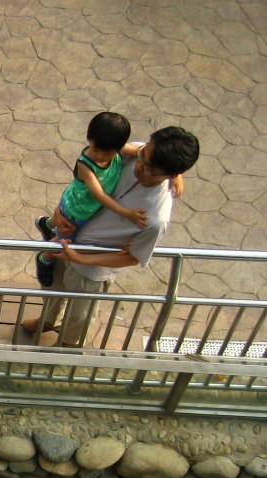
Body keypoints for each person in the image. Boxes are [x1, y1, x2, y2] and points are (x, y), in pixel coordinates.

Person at [23, 126, 200, 347]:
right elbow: (86, 178)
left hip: (91, 268)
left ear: (170, 175)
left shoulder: (156, 217)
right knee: (53, 290)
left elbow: (133, 257)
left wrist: (83, 259)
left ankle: (68, 344)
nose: (139, 167)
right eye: (142, 157)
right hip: (65, 241)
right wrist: (60, 213)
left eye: (150, 169)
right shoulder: (133, 152)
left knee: (80, 314)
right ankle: (47, 321)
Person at [33, 112, 150, 288]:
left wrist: (174, 174)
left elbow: (146, 153)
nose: (100, 157)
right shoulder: (85, 164)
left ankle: (47, 224)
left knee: (59, 225)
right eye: (95, 149)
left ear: (118, 147)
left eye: (108, 153)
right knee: (65, 240)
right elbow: (100, 195)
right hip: (76, 210)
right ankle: (45, 257)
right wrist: (128, 214)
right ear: (90, 140)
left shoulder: (119, 149)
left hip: (80, 202)